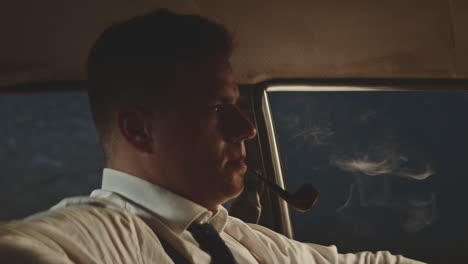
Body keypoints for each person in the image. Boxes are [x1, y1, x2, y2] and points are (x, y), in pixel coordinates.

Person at [0, 9, 425, 264]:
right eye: (217, 108)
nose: (247, 128)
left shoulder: (244, 240)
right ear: (138, 130)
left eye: (238, 106)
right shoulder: (81, 240)